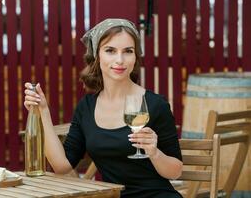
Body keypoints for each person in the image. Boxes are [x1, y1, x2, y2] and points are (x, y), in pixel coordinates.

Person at [24, 18, 183, 198]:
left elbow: (176, 171)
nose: (120, 60)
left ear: (135, 57)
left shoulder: (155, 105)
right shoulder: (87, 107)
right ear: (97, 56)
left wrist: (154, 153)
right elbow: (62, 166)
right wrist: (43, 112)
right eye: (110, 51)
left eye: (128, 51)